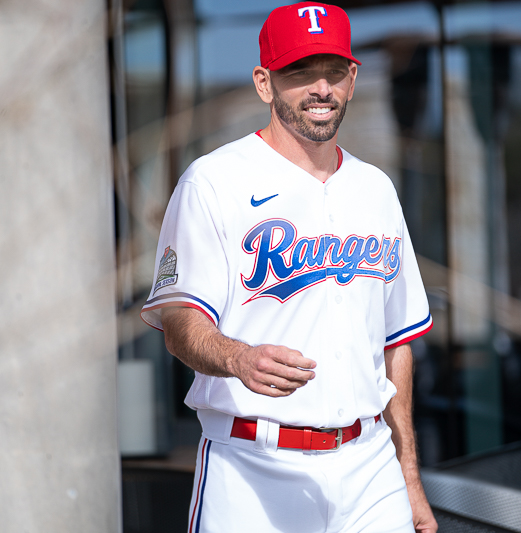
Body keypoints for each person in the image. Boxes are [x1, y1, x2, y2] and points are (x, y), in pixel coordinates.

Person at [141, 3, 438, 532]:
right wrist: (237, 358)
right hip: (253, 464)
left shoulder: (376, 190)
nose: (319, 88)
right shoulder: (212, 183)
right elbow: (181, 322)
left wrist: (409, 478)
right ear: (264, 83)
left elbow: (397, 342)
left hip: (370, 464)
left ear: (352, 78)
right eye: (299, 72)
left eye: (332, 72)